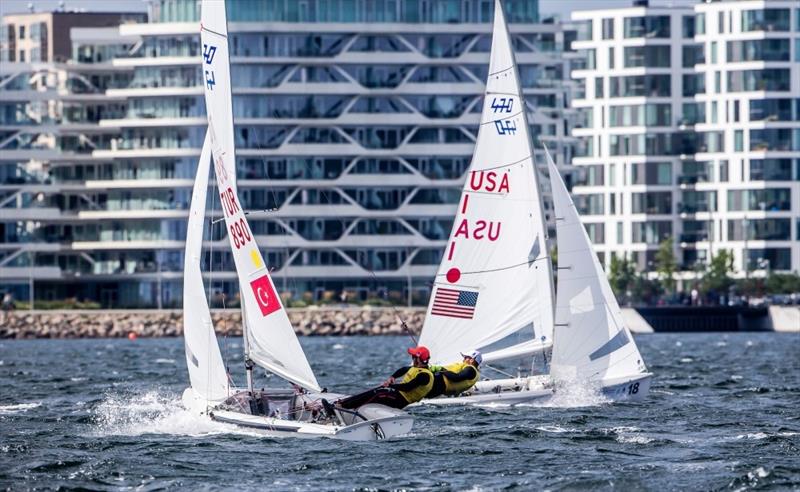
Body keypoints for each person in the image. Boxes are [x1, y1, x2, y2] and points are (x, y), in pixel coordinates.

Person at [335, 346, 434, 410]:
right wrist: (393, 377)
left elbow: (408, 387)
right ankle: (342, 403)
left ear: (418, 359)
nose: (412, 358)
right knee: (375, 391)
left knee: (378, 394)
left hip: (400, 400)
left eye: (413, 356)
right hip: (397, 395)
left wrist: (391, 385)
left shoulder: (425, 376)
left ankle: (344, 408)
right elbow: (403, 369)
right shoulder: (416, 368)